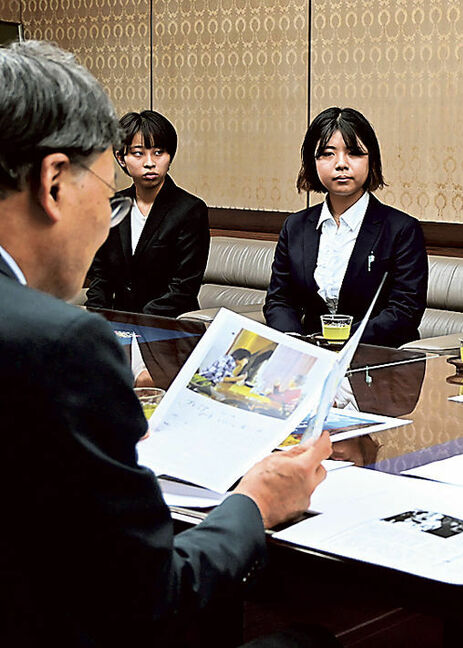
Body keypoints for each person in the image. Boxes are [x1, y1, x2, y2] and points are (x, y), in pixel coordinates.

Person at [0, 40, 332, 646]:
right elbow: (149, 593)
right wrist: (256, 503)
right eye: (106, 188)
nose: (108, 219)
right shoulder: (60, 345)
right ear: (53, 183)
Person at [264, 107, 428, 348]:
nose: (341, 164)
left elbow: (404, 312)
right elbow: (279, 300)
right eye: (327, 154)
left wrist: (341, 343)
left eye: (354, 153)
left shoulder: (401, 229)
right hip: (308, 360)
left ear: (371, 159)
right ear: (313, 162)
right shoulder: (295, 226)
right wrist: (295, 344)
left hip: (377, 360)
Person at [85, 109, 210, 317]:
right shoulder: (110, 207)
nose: (150, 162)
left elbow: (183, 287)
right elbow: (101, 278)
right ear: (121, 157)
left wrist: (139, 321)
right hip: (119, 327)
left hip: (170, 326)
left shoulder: (190, 210)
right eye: (138, 153)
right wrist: (98, 320)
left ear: (170, 156)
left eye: (158, 152)